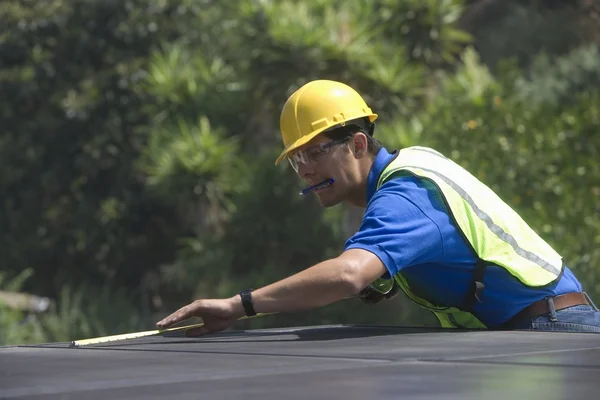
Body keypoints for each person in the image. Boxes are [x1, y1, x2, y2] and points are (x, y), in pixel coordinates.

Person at [157, 79, 600, 335]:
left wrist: (239, 306)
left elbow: (350, 275)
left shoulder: (405, 194)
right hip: (535, 327)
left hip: (550, 329)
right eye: (297, 159)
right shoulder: (413, 168)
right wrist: (388, 280)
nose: (306, 170)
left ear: (358, 143)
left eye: (316, 152)